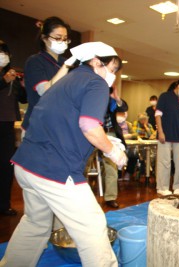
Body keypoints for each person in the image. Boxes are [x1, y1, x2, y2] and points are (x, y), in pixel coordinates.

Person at [0, 42, 126, 267]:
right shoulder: (95, 82)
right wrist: (114, 152)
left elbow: (67, 121)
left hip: (26, 165)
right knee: (92, 225)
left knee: (35, 223)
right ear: (97, 61)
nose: (113, 76)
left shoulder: (66, 79)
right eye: (113, 69)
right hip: (55, 169)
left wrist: (106, 140)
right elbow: (89, 126)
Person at [22, 16, 74, 133]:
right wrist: (66, 67)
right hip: (37, 125)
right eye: (57, 38)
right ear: (44, 38)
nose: (62, 42)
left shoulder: (64, 62)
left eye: (65, 39)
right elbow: (44, 90)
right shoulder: (35, 61)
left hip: (59, 124)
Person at [0, 40, 27, 216]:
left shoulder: (12, 75)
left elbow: (23, 99)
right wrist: (3, 80)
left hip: (7, 125)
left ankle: (3, 205)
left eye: (3, 51)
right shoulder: (5, 77)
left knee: (5, 167)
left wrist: (23, 85)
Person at [155, 78, 179, 195]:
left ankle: (177, 187)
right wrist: (160, 132)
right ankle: (162, 187)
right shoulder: (165, 96)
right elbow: (158, 115)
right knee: (164, 162)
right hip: (165, 135)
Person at [102, 86, 128, 208]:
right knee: (84, 165)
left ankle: (110, 197)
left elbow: (123, 107)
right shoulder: (90, 98)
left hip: (111, 133)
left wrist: (116, 98)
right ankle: (81, 198)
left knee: (111, 167)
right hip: (93, 132)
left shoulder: (111, 101)